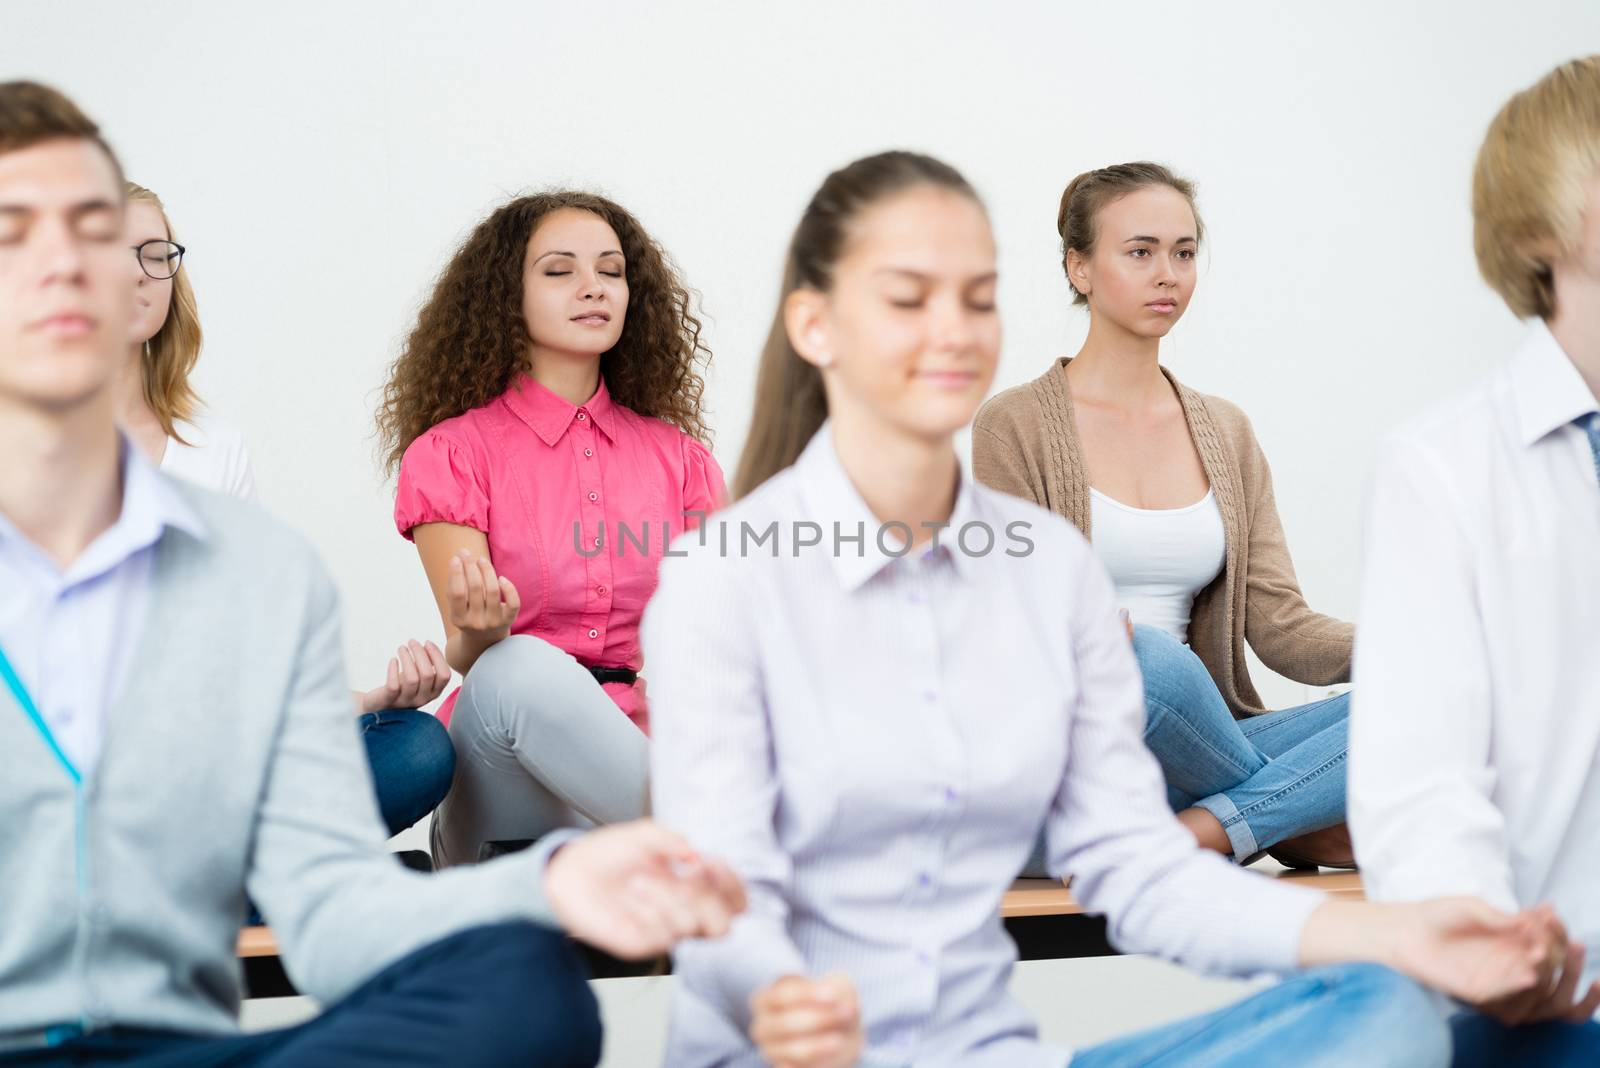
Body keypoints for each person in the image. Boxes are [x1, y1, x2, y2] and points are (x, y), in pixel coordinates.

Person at [648, 150, 1561, 1068]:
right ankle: (1293, 810)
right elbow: (718, 885)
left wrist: (1394, 937)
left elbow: (1138, 866)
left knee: (1392, 1004)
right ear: (815, 325)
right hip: (790, 1055)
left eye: (977, 297)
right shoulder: (724, 575)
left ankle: (1262, 819)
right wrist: (777, 994)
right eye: (908, 297)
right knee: (1158, 668)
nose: (956, 330)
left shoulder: (1048, 571)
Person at [0, 80, 744, 1067]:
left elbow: (331, 903)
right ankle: (765, 854)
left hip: (160, 1023)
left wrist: (548, 885)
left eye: (118, 244)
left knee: (524, 984)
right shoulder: (458, 452)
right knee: (498, 694)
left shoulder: (260, 562)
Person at [973, 162, 1354, 870]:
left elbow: (1281, 626)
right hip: (1076, 747)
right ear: (1079, 268)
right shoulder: (1013, 425)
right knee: (1147, 659)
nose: (1168, 274)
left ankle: (1210, 828)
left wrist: (1414, 648)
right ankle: (1284, 818)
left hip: (1196, 748)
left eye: (1184, 252)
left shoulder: (1227, 430)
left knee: (1423, 696)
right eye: (1141, 252)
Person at [1349, 54, 1600, 1066]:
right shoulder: (1444, 468)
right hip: (1554, 1010)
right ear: (1542, 227)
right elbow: (1422, 796)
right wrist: (1501, 953)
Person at [376, 190, 725, 867]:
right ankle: (731, 855)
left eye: (612, 271)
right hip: (506, 785)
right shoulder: (452, 454)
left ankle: (711, 842)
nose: (593, 288)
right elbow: (475, 656)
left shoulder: (683, 463)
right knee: (518, 664)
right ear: (508, 295)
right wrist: (481, 632)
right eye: (560, 271)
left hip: (637, 767)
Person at [118, 180, 455, 840]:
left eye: (153, 253)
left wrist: (368, 701)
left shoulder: (214, 449)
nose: (139, 273)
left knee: (414, 746)